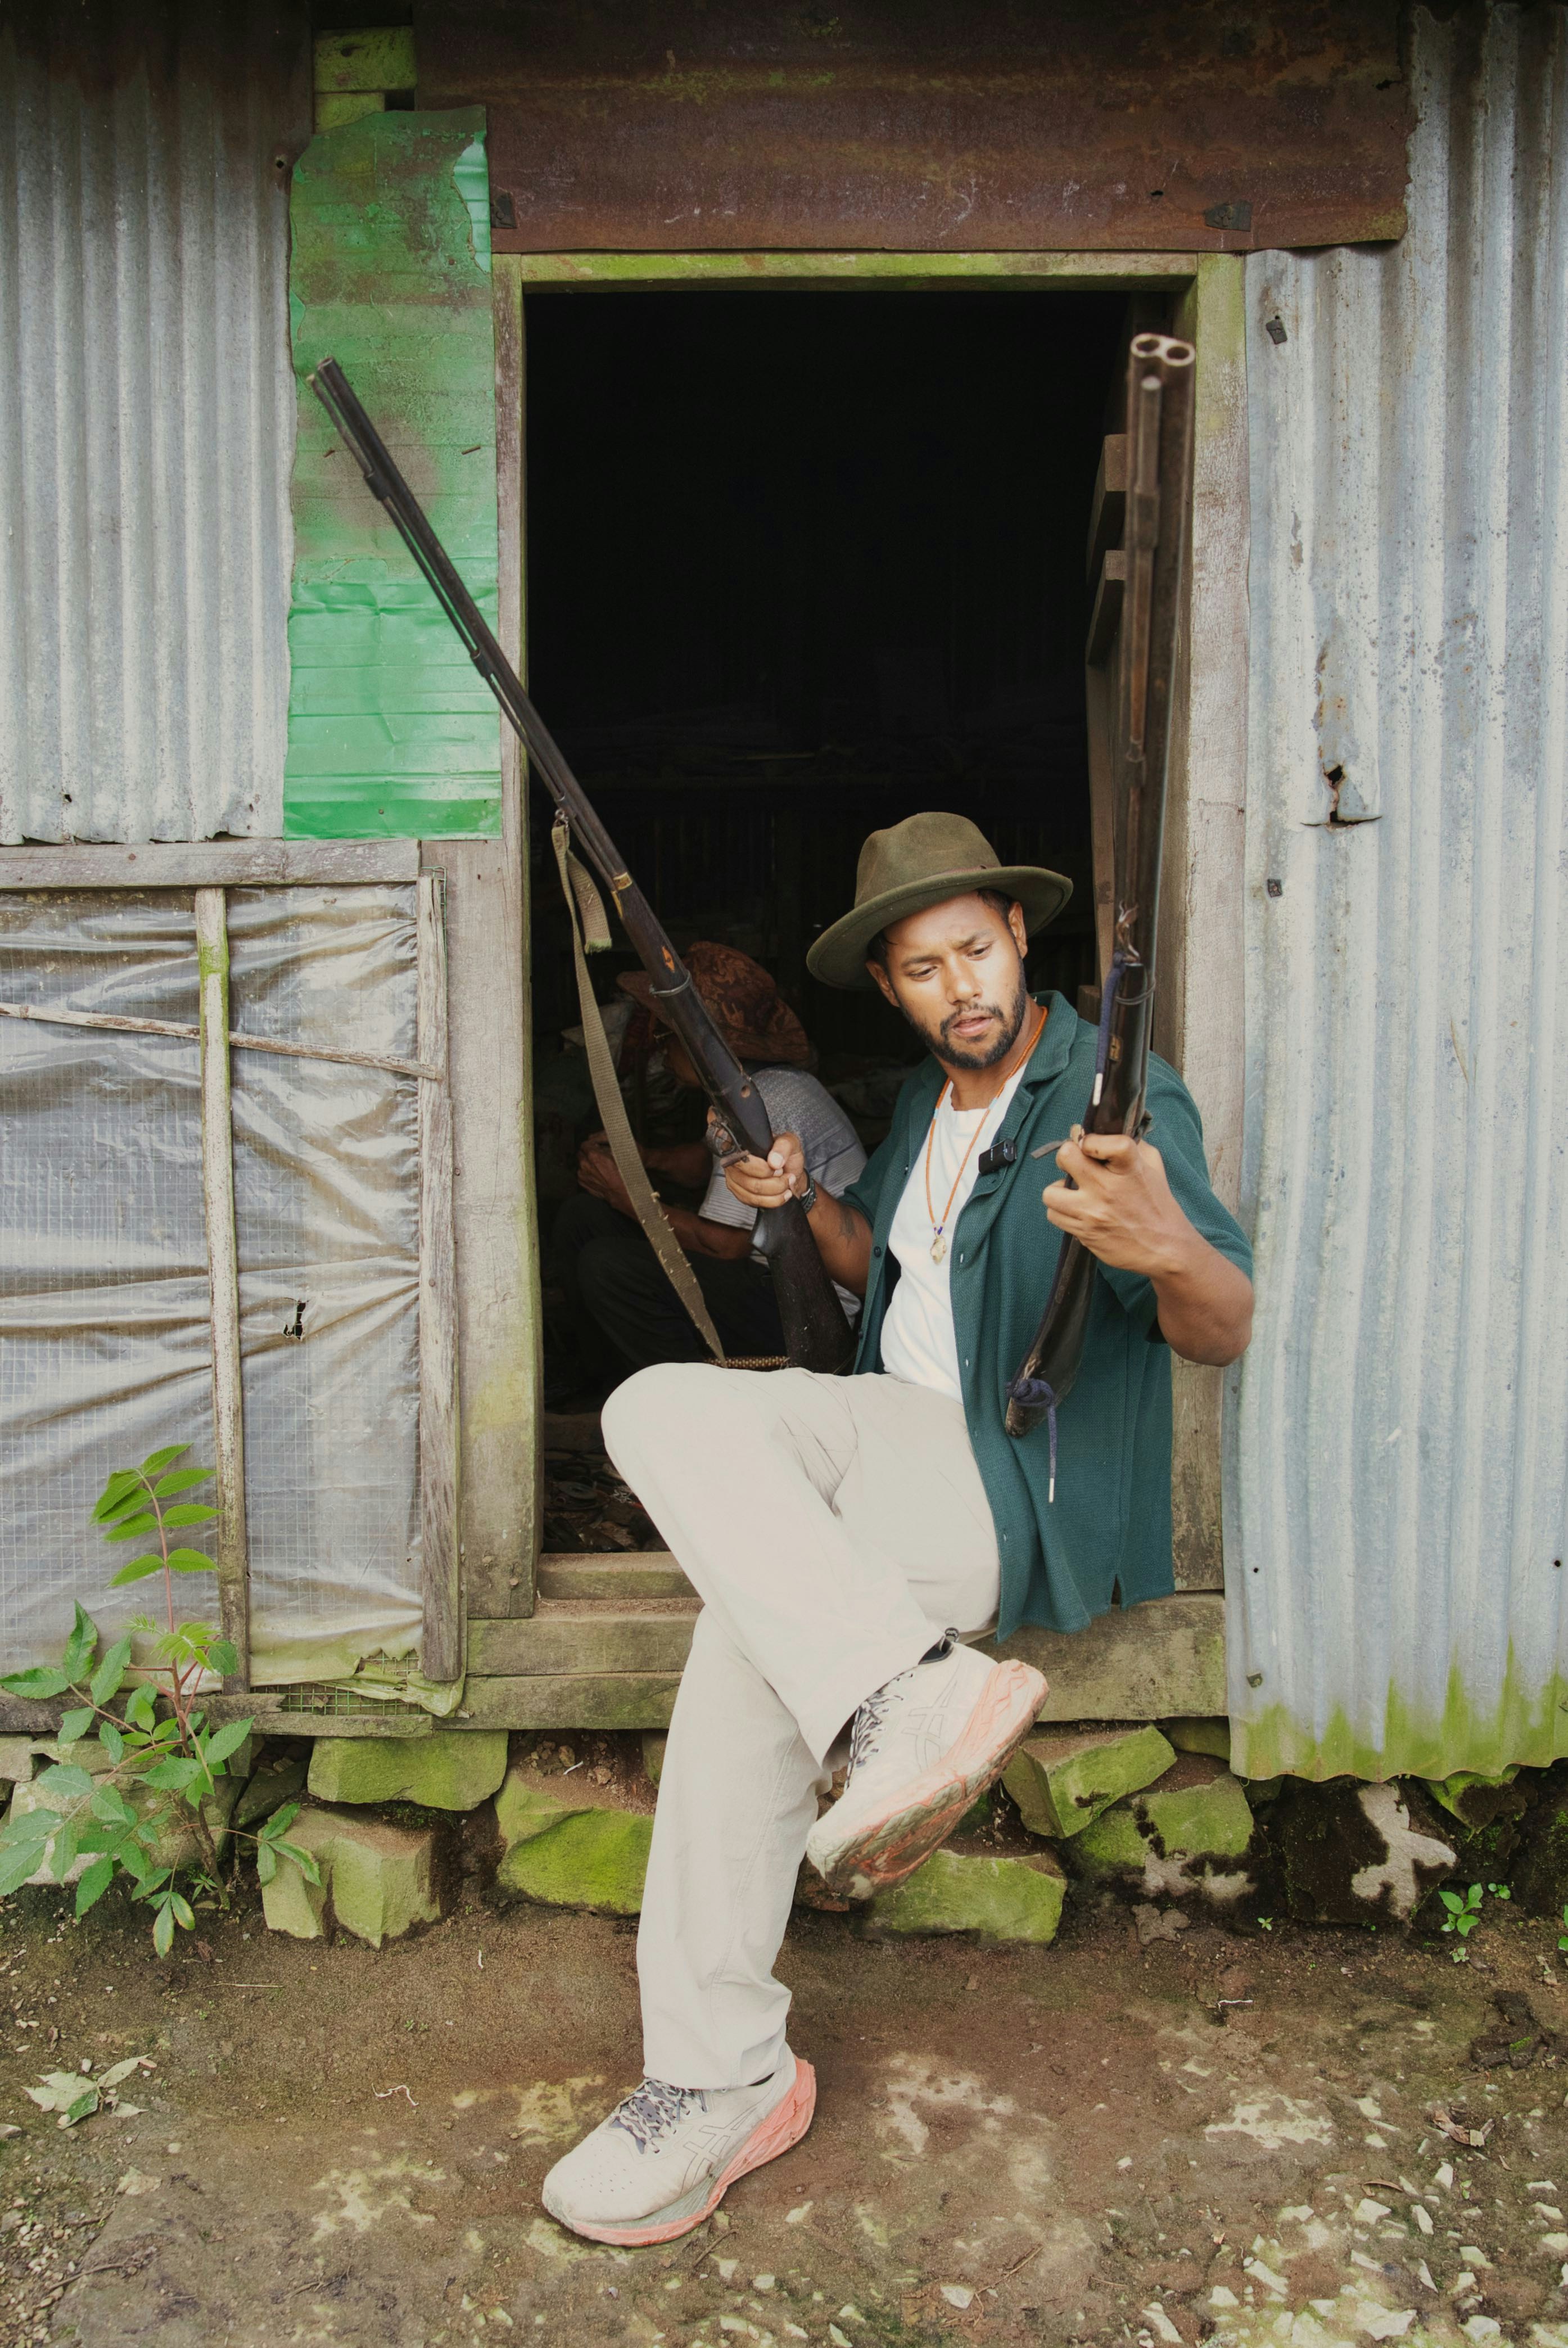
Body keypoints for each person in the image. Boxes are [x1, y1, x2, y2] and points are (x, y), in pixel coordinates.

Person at [541, 811, 1254, 2246]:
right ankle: (905, 1691)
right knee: (658, 1409)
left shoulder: (1108, 1093)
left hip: (1004, 1478)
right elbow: (887, 1278)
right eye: (922, 967)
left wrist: (1167, 1245)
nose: (958, 986)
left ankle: (714, 2076)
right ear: (891, 987)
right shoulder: (930, 1109)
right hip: (885, 1429)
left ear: (1017, 939)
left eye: (975, 950)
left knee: (742, 1656)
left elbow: (1221, 1320)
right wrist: (798, 1206)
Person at [550, 941, 865, 1387]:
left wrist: (630, 1200)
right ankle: (603, 1380)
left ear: (701, 1047)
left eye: (666, 1036)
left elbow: (728, 1247)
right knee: (582, 1218)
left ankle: (687, 1402)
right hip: (770, 1278)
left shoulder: (763, 1103)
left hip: (808, 1308)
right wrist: (646, 1159)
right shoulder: (757, 1087)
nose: (660, 1049)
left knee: (610, 1266)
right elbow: (705, 1164)